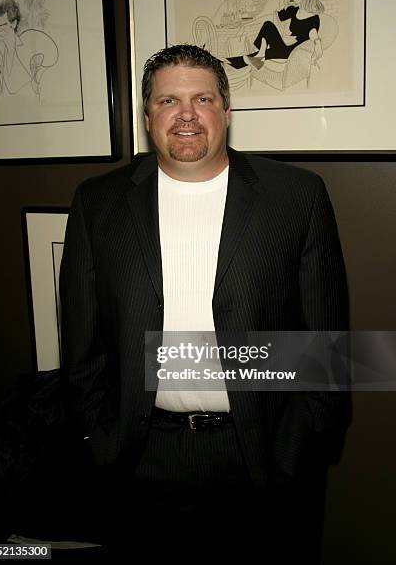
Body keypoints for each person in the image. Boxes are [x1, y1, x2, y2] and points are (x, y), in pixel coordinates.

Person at [60, 44, 351, 560]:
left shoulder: (297, 196)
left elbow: (326, 345)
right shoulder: (97, 202)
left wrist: (299, 446)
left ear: (226, 110)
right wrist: (97, 439)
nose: (186, 114)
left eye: (203, 99)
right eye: (169, 100)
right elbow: (82, 341)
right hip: (138, 457)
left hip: (261, 458)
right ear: (147, 115)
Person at [226, 0, 324, 71]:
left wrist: (318, 44)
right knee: (268, 25)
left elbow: (313, 33)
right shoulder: (294, 10)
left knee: (266, 35)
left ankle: (254, 57)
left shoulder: (313, 18)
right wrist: (285, 6)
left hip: (292, 52)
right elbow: (276, 17)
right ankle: (257, 55)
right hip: (284, 45)